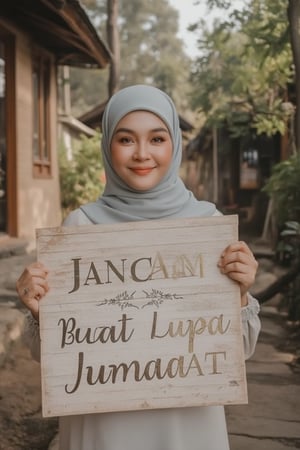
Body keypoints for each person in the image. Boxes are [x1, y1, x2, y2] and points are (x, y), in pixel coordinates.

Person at [16, 84, 260, 450]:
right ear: (107, 146)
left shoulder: (207, 226)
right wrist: (38, 309)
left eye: (157, 139)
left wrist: (239, 294)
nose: (142, 154)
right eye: (126, 140)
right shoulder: (79, 230)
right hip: (102, 428)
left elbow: (238, 351)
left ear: (174, 144)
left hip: (188, 426)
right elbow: (49, 355)